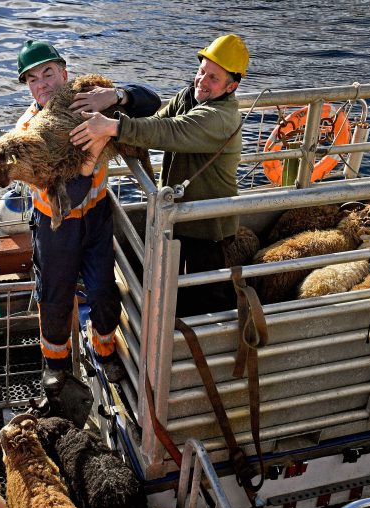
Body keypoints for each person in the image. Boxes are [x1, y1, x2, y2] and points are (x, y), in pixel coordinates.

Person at [14, 40, 161, 387]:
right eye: (33, 79)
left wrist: (115, 97)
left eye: (48, 73)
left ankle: (105, 353)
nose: (43, 84)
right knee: (55, 295)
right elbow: (69, 194)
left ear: (65, 73)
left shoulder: (89, 100)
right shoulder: (28, 134)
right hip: (56, 228)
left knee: (103, 291)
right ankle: (56, 365)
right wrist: (94, 151)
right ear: (28, 87)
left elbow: (152, 103)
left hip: (96, 219)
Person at [70, 34, 249, 316]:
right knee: (173, 293)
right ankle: (174, 337)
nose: (202, 80)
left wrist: (113, 127)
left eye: (214, 78)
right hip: (177, 216)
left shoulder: (220, 118)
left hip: (208, 226)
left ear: (232, 85)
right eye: (202, 71)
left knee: (208, 298)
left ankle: (211, 351)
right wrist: (117, 97)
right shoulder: (190, 96)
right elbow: (156, 121)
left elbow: (169, 132)